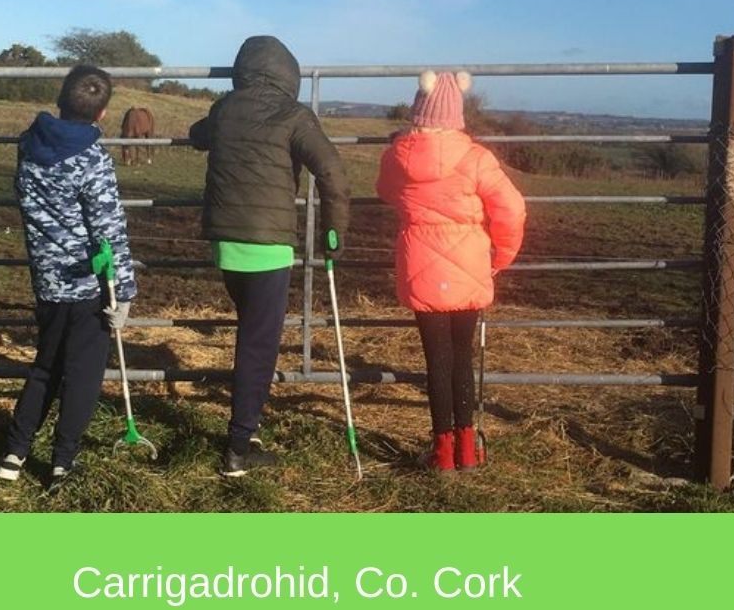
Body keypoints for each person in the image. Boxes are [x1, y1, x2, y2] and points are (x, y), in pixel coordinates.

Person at [189, 35, 350, 477]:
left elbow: (198, 135)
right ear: (288, 75)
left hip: (225, 243)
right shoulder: (293, 115)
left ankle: (250, 425)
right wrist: (334, 231)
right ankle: (238, 448)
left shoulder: (224, 109)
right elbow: (331, 170)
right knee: (258, 346)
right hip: (269, 248)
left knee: (251, 333)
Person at [376, 71, 525, 473]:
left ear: (418, 109)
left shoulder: (397, 157)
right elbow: (511, 208)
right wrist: (502, 255)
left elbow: (384, 190)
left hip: (421, 269)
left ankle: (442, 453)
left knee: (437, 362)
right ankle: (468, 450)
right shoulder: (477, 158)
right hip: (470, 267)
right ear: (457, 113)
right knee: (463, 357)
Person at [0, 65, 137, 490]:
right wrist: (124, 292)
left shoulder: (28, 144)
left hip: (47, 281)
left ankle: (14, 453)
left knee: (46, 365)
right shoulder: (93, 159)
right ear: (103, 113)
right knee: (83, 375)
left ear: (59, 99)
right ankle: (62, 461)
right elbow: (108, 230)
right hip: (90, 285)